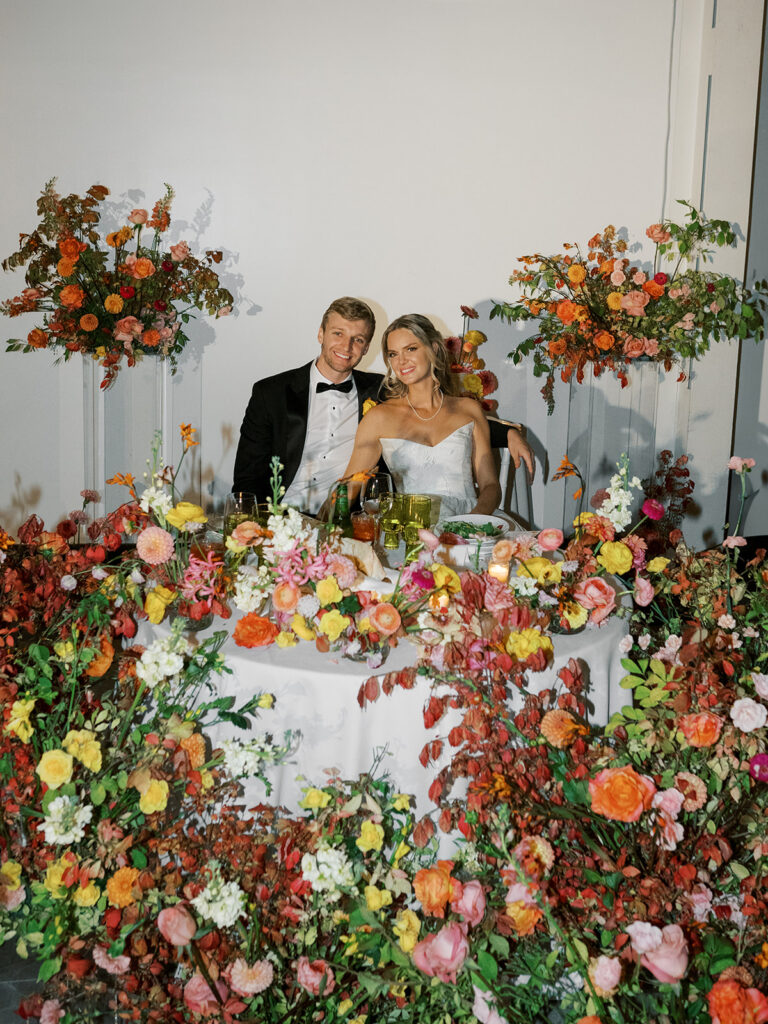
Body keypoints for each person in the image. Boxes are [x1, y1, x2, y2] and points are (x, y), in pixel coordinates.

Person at [233, 297, 534, 515]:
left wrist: (508, 432)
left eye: (358, 339)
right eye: (393, 354)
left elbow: (456, 428)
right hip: (283, 515)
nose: (346, 346)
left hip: (450, 522)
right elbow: (248, 480)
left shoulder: (375, 392)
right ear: (321, 334)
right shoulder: (271, 393)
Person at [340, 314, 502, 518]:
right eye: (393, 354)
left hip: (469, 524)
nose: (401, 361)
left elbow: (490, 485)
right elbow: (346, 491)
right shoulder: (378, 418)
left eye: (411, 349)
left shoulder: (469, 410)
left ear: (433, 348)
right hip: (410, 530)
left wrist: (472, 523)